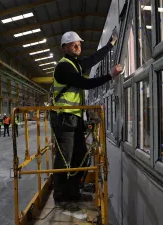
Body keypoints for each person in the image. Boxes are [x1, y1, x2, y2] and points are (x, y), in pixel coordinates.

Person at [50, 31, 122, 208]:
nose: (78, 46)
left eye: (79, 44)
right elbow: (85, 84)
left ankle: (74, 193)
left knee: (80, 155)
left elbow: (93, 59)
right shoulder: (63, 67)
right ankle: (61, 197)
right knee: (64, 158)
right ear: (64, 47)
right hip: (64, 117)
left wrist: (110, 45)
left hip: (74, 117)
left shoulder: (75, 64)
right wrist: (110, 76)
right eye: (74, 44)